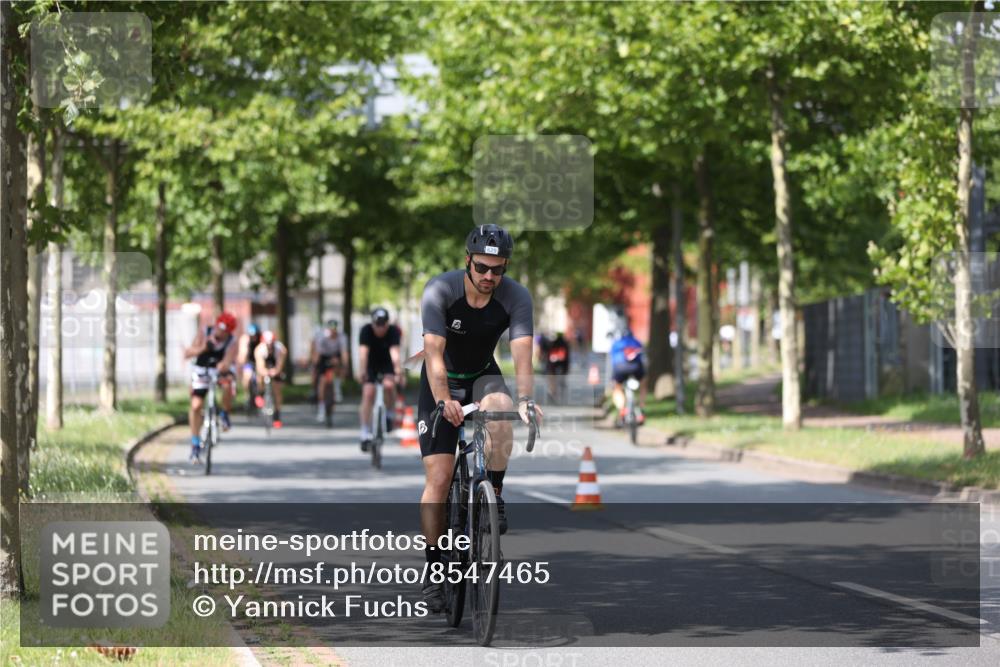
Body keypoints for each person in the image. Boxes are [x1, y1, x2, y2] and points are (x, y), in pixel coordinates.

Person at [417, 223, 541, 613]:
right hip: (440, 380)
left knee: (502, 408)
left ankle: (495, 495)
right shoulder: (441, 291)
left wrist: (526, 399)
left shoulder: (515, 296)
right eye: (483, 268)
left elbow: (522, 352)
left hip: (482, 375)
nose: (490, 277)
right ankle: (436, 569)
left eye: (498, 269)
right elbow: (434, 354)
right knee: (438, 478)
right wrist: (442, 401)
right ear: (467, 261)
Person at [184, 312, 238, 462]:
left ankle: (224, 414)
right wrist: (203, 347)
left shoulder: (232, 341)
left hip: (220, 371)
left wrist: (224, 366)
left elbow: (228, 360)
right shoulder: (204, 332)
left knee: (228, 385)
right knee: (196, 406)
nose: (221, 333)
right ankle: (195, 444)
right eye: (220, 328)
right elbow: (188, 353)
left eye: (225, 331)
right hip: (202, 370)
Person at [357, 307, 402, 449]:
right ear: (372, 323)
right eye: (378, 325)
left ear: (387, 324)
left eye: (383, 325)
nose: (380, 328)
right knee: (368, 392)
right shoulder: (366, 330)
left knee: (389, 385)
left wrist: (398, 371)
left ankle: (389, 413)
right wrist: (362, 371)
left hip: (386, 364)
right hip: (371, 365)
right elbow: (363, 354)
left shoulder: (393, 331)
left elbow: (395, 353)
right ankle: (365, 432)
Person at [312, 319, 348, 423]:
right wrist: (315, 367)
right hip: (323, 357)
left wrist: (345, 365)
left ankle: (337, 385)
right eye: (331, 329)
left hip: (336, 355)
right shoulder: (322, 337)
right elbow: (318, 354)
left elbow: (344, 353)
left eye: (334, 330)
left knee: (337, 363)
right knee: (322, 383)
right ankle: (321, 409)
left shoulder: (342, 337)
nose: (333, 332)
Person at [610, 326, 647, 424]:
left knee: (617, 388)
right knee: (643, 384)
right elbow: (643, 356)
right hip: (636, 368)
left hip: (620, 368)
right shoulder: (637, 342)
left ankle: (622, 409)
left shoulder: (616, 344)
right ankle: (642, 409)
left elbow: (613, 360)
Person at [254, 329, 288, 428]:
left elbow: (279, 365)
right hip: (264, 364)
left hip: (275, 363)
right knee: (260, 377)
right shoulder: (259, 350)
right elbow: (260, 367)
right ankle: (260, 393)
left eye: (271, 343)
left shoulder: (280, 349)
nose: (269, 346)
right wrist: (265, 372)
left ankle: (277, 414)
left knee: (277, 389)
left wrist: (276, 371)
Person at [237, 322, 263, 408]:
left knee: (260, 378)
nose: (254, 338)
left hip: (260, 361)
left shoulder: (261, 339)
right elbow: (242, 356)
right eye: (252, 336)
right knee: (247, 378)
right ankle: (247, 394)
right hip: (249, 362)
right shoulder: (245, 340)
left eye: (255, 335)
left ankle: (260, 394)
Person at [545, 331, 570, 404]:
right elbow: (567, 358)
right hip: (561, 366)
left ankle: (552, 392)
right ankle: (556, 392)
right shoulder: (565, 344)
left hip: (553, 366)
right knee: (560, 380)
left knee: (553, 380)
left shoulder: (552, 343)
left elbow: (548, 354)